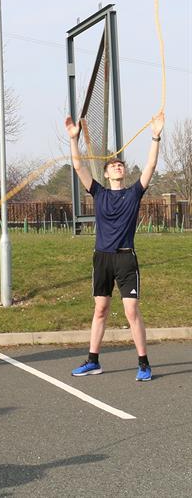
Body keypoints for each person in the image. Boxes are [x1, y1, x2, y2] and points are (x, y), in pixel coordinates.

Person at [65, 112, 164, 381]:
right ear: (107, 173)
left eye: (121, 165)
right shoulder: (99, 192)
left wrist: (155, 135)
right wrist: (73, 140)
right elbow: (78, 167)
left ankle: (143, 363)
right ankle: (93, 361)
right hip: (102, 259)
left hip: (125, 259)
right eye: (114, 165)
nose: (118, 167)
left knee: (131, 310)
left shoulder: (134, 193)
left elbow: (151, 165)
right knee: (100, 309)